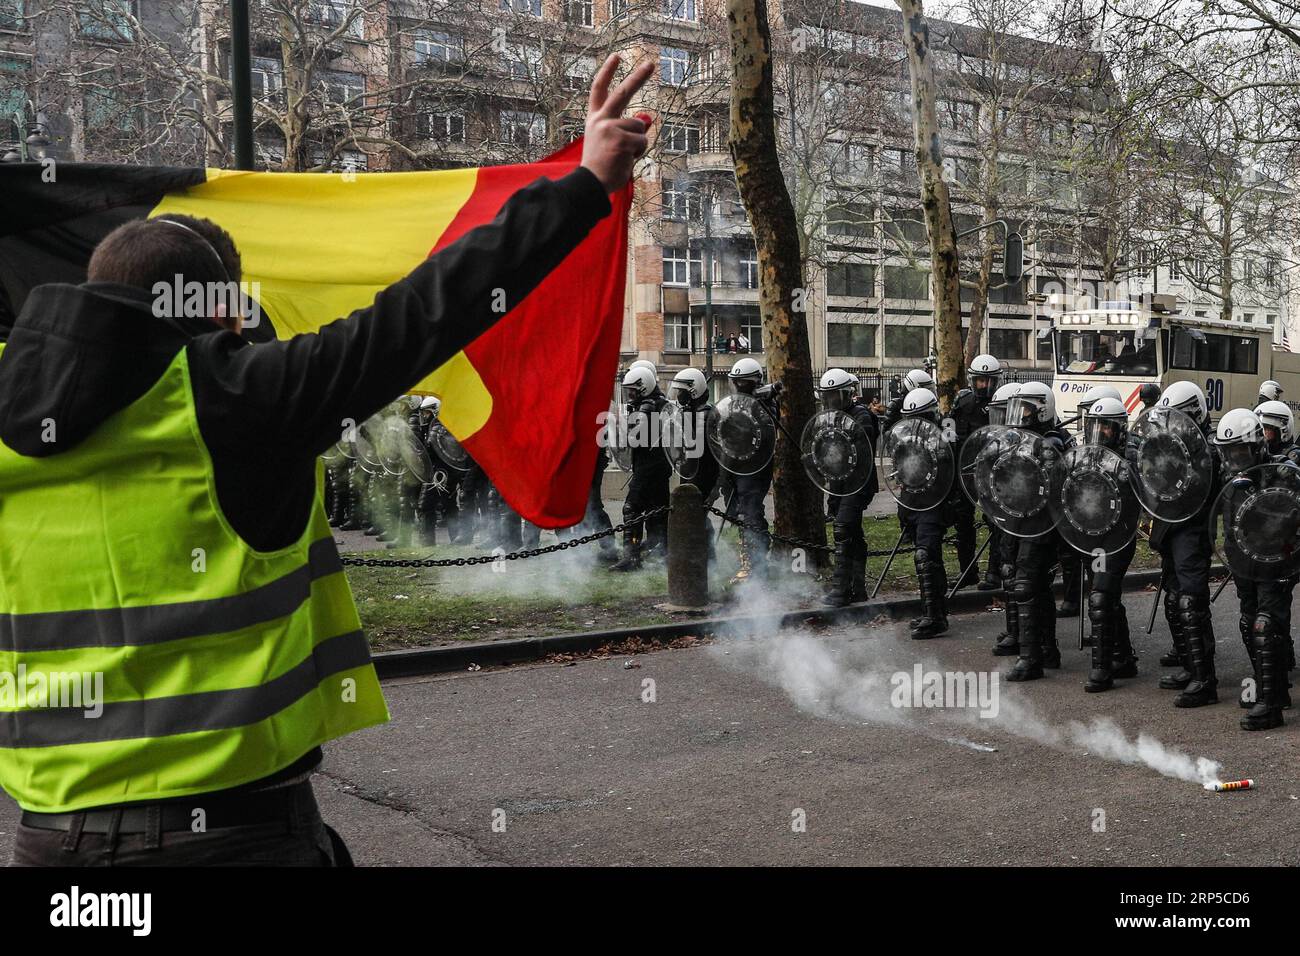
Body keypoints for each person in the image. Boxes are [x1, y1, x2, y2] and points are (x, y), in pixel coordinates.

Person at [0, 53, 654, 867]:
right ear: (220, 317)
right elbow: (426, 309)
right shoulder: (240, 400)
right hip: (231, 840)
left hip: (50, 845)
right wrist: (587, 182)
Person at [1220, 405, 1296, 729]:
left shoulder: (1279, 471)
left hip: (1275, 563)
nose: (1235, 459)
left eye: (1240, 451)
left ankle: (1270, 705)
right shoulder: (1229, 480)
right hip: (1244, 565)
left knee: (1266, 627)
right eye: (1229, 452)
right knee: (1248, 623)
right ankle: (1274, 691)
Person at [1148, 381, 1220, 708]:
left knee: (1192, 602)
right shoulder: (1171, 442)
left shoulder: (1208, 448)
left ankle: (1205, 680)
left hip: (1192, 529)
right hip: (1168, 525)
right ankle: (1189, 666)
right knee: (1174, 598)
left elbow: (1207, 488)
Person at [1002, 381, 1069, 680]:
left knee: (1026, 584)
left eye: (1026, 409)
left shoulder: (1051, 444)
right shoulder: (1020, 439)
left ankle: (1030, 659)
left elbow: (1052, 485)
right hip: (1021, 519)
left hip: (1041, 524)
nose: (1021, 415)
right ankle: (1047, 649)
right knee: (1039, 587)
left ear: (1042, 410)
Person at [1075, 397, 1140, 692]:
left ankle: (1101, 670)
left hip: (1118, 536)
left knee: (1100, 596)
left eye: (1107, 428)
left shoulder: (1130, 459)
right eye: (1096, 426)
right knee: (1107, 595)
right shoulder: (1085, 455)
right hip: (1093, 536)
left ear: (1120, 429)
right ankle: (1123, 657)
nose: (1100, 433)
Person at [1056, 384, 1122, 618]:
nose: (1095, 427)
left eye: (1104, 424)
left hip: (1111, 532)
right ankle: (1075, 600)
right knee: (1079, 566)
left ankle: (1112, 641)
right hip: (1085, 522)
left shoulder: (1128, 451)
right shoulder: (1084, 447)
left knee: (1102, 590)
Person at [897, 387, 958, 638]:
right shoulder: (906, 438)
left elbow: (949, 468)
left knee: (925, 554)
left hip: (934, 503)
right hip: (912, 502)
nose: (915, 423)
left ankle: (934, 617)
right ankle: (933, 610)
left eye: (920, 417)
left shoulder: (944, 436)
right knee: (929, 558)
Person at [817, 368, 879, 607]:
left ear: (847, 394)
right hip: (839, 483)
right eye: (828, 396)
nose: (832, 401)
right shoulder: (829, 418)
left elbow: (859, 450)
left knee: (843, 528)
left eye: (836, 395)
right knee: (853, 533)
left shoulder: (861, 414)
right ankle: (858, 588)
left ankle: (840, 590)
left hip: (858, 482)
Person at [610, 363, 672, 571]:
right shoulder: (659, 402)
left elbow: (633, 438)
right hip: (658, 466)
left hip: (649, 467)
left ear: (643, 387)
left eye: (632, 390)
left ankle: (632, 557)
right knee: (657, 509)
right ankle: (661, 553)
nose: (630, 394)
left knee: (632, 508)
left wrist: (620, 428)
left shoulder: (648, 407)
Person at [720, 357, 776, 585]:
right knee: (737, 513)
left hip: (754, 467)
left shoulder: (766, 404)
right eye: (737, 382)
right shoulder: (735, 403)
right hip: (733, 464)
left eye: (745, 382)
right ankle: (751, 560)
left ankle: (755, 565)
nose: (740, 386)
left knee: (749, 514)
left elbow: (766, 430)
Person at [949, 354, 1001, 589]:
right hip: (966, 471)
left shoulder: (1003, 403)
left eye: (988, 381)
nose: (983, 385)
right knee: (962, 521)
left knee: (995, 521)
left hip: (993, 472)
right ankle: (967, 572)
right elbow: (949, 432)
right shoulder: (962, 401)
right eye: (979, 380)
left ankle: (995, 572)